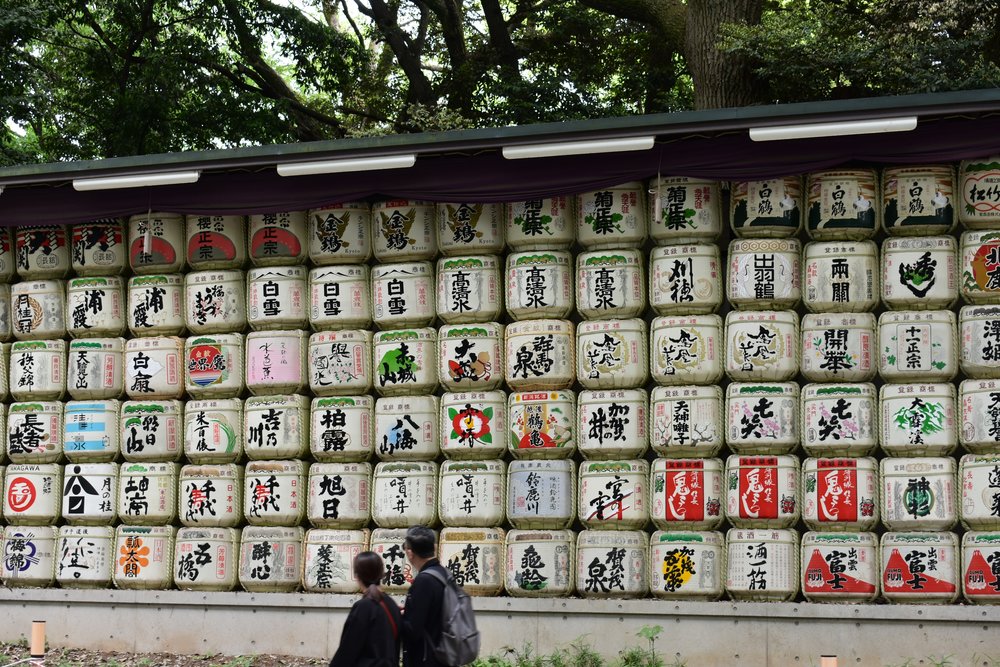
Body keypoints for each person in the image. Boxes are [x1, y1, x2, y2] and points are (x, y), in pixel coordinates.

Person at [328, 551, 402, 667]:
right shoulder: (391, 604)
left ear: (357, 576)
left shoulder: (364, 607)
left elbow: (348, 651)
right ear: (381, 573)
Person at [401, 525, 448, 667]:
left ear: (410, 553)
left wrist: (393, 615)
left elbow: (413, 630)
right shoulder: (444, 574)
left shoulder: (424, 581)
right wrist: (409, 611)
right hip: (445, 655)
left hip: (427, 659)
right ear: (434, 547)